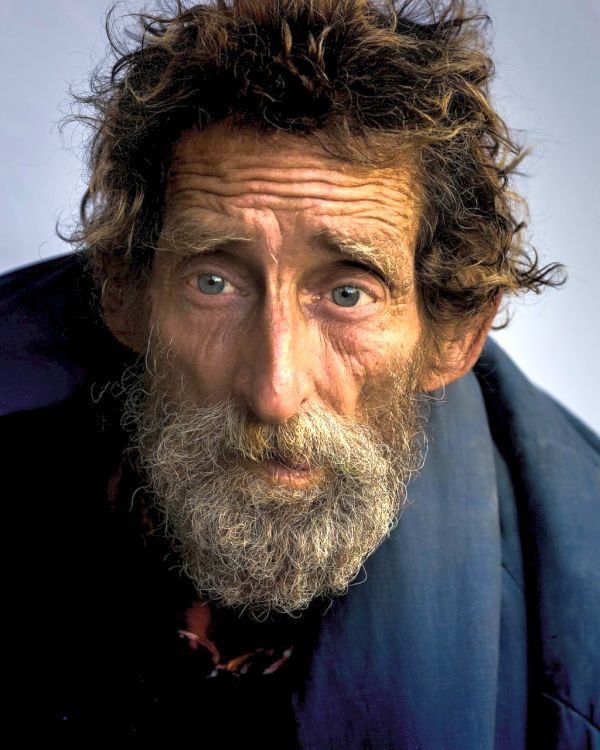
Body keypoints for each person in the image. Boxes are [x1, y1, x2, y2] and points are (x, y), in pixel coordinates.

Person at [2, 0, 598, 746]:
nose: (276, 391)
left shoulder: (580, 622)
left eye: (348, 294)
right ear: (125, 296)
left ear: (453, 335)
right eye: (213, 282)